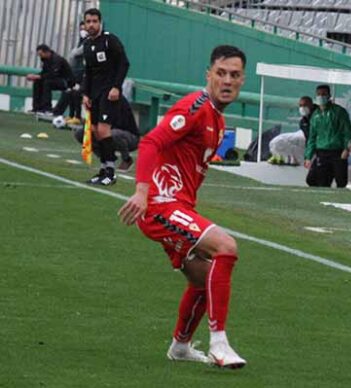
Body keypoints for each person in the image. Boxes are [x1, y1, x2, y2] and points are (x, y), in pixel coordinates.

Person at [117, 45, 248, 369]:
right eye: (221, 73)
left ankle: (180, 346)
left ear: (242, 80)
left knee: (206, 281)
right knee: (226, 248)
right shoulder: (195, 108)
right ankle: (219, 342)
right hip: (161, 206)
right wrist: (142, 192)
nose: (227, 80)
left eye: (234, 75)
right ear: (208, 75)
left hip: (177, 206)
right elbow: (150, 142)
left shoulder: (218, 119)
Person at [82, 8, 130, 186]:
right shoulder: (87, 45)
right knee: (95, 131)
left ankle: (111, 172)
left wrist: (116, 87)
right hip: (94, 94)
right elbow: (87, 72)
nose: (91, 25)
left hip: (108, 93)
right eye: (88, 22)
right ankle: (103, 169)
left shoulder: (110, 40)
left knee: (103, 130)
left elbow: (124, 63)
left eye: (95, 21)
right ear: (85, 24)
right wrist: (85, 94)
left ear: (100, 22)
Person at [304, 84, 351, 188]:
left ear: (329, 95)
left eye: (323, 94)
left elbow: (348, 132)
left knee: (341, 181)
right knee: (321, 181)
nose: (321, 97)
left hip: (338, 151)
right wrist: (308, 156)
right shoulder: (315, 115)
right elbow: (312, 137)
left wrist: (346, 149)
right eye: (318, 94)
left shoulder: (339, 112)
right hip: (322, 152)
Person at [73, 95, 139, 172]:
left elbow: (118, 123)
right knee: (81, 133)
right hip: (107, 132)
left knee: (113, 134)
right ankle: (104, 158)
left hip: (129, 136)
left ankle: (127, 159)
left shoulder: (117, 101)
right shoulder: (97, 100)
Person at [53, 21, 88, 126]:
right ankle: (72, 115)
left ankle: (77, 116)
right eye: (81, 29)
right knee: (70, 91)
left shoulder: (89, 41)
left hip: (85, 74)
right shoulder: (81, 41)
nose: (83, 31)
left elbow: (75, 54)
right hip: (77, 73)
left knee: (76, 93)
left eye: (84, 29)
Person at [26, 44, 73, 115]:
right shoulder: (45, 60)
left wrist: (37, 76)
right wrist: (35, 76)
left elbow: (52, 75)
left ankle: (47, 109)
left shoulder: (57, 59)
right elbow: (44, 72)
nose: (40, 56)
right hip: (55, 80)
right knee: (37, 82)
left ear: (47, 52)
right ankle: (37, 108)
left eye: (41, 54)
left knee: (47, 83)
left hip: (65, 81)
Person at [268, 96, 315, 165]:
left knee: (279, 142)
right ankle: (288, 158)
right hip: (306, 138)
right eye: (300, 106)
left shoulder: (317, 116)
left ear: (310, 105)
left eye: (305, 105)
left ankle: (292, 158)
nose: (302, 108)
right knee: (276, 142)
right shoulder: (303, 121)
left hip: (313, 142)